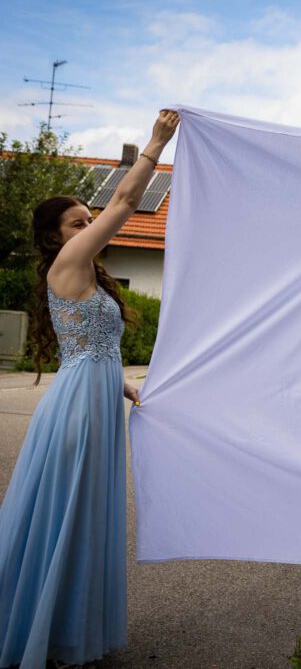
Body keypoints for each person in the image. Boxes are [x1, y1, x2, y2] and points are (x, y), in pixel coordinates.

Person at [0, 111, 180, 668]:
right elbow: (125, 203)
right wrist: (156, 142)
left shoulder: (86, 271)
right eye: (78, 222)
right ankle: (42, 634)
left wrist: (129, 390)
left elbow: (93, 350)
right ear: (56, 237)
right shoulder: (70, 261)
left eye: (86, 220)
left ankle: (55, 628)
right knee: (69, 513)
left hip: (96, 399)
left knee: (78, 517)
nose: (88, 226)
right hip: (79, 408)